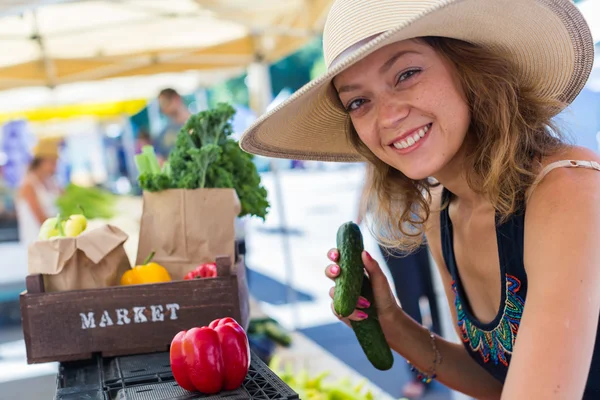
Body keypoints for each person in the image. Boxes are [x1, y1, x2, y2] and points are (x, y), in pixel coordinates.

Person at [239, 0, 600, 398]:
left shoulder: (568, 187)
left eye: (406, 74)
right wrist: (393, 324)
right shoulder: (440, 212)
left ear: (469, 69)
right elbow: (498, 384)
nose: (387, 116)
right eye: (358, 102)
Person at [357, 163, 442, 399]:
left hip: (426, 234)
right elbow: (367, 187)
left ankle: (447, 361)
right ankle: (419, 373)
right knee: (410, 301)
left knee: (438, 299)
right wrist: (356, 224)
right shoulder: (376, 163)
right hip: (394, 241)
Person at [15, 138, 62, 245]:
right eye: (53, 162)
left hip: (54, 242)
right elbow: (42, 220)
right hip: (36, 243)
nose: (55, 166)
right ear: (41, 161)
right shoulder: (28, 185)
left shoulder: (52, 183)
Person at [156, 88, 191, 161]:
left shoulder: (199, 126)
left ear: (176, 99)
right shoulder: (163, 133)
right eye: (160, 106)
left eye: (164, 103)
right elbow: (161, 160)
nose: (163, 109)